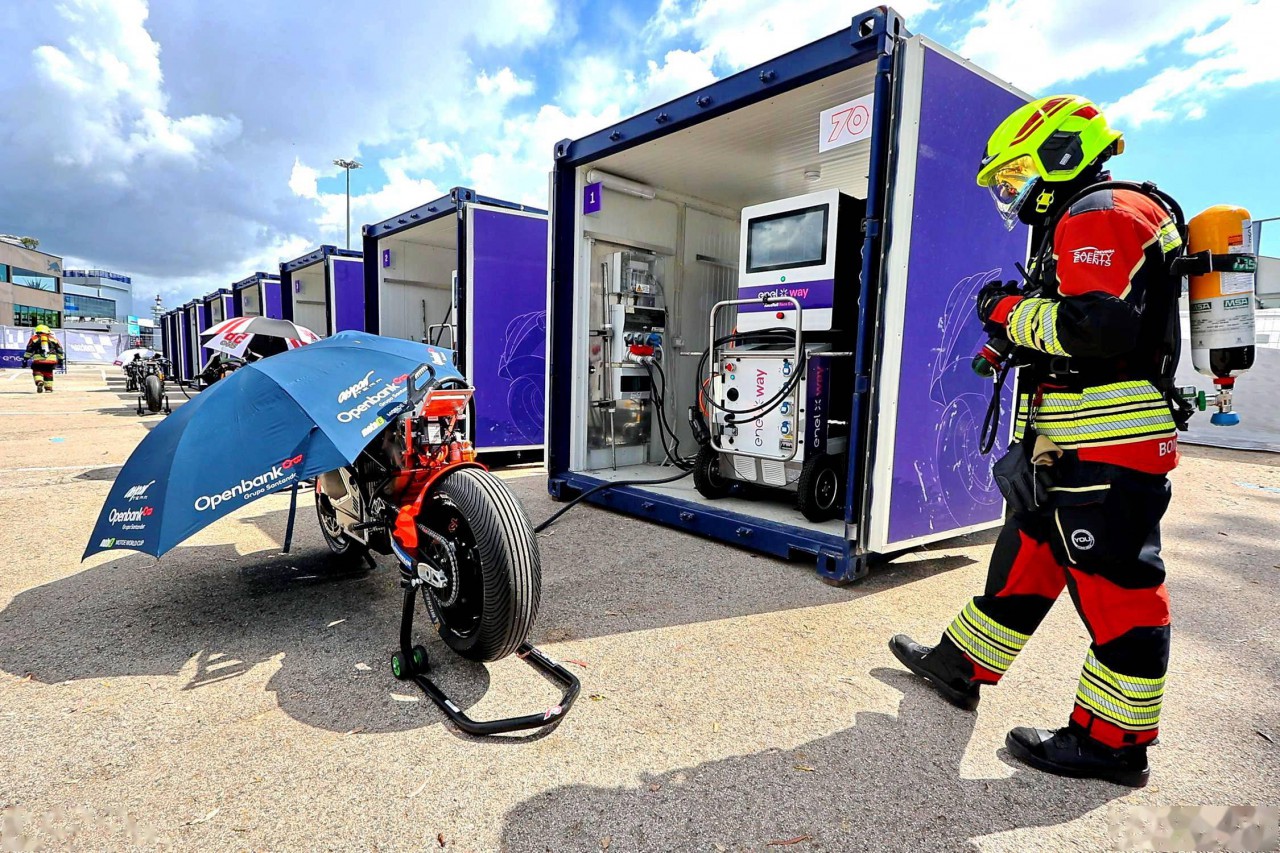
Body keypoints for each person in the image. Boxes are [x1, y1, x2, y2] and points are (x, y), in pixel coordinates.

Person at [889, 95, 1185, 788]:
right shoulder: (1089, 218)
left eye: (1015, 173)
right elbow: (1090, 330)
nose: (1011, 192)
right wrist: (1020, 330)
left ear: (1060, 154)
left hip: (1107, 447)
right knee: (1026, 555)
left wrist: (1006, 310)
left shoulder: (1102, 213)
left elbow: (1096, 329)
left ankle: (1113, 743)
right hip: (1068, 444)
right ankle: (960, 666)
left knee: (1117, 588)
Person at [21, 324, 66, 393]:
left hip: (39, 359)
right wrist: (61, 360)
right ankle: (48, 388)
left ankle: (39, 381)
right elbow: (59, 350)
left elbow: (29, 350)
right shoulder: (53, 339)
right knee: (48, 372)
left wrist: (25, 359)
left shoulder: (34, 338)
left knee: (37, 370)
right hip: (51, 360)